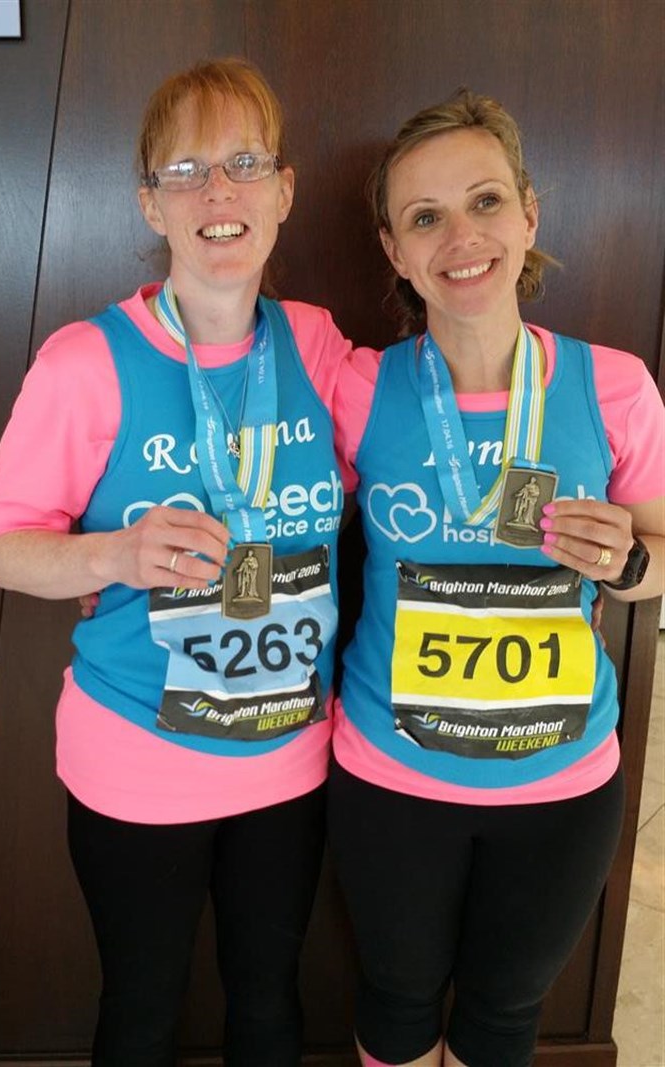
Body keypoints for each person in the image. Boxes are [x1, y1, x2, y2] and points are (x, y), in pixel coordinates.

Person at [0, 58, 353, 1067]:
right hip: (136, 753)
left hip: (287, 752)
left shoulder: (317, 344)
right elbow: (4, 549)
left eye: (244, 163)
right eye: (186, 169)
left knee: (268, 1003)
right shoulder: (83, 361)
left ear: (283, 190)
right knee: (142, 1010)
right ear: (151, 202)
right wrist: (115, 552)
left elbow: (407, 458)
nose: (218, 191)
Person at [328, 89, 665, 1067]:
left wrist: (631, 562)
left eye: (483, 201)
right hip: (393, 772)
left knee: (504, 1017)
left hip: (560, 780)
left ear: (528, 214)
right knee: (395, 1003)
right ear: (394, 251)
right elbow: (281, 519)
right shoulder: (358, 386)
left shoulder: (614, 385)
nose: (460, 238)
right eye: (424, 217)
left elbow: (659, 554)